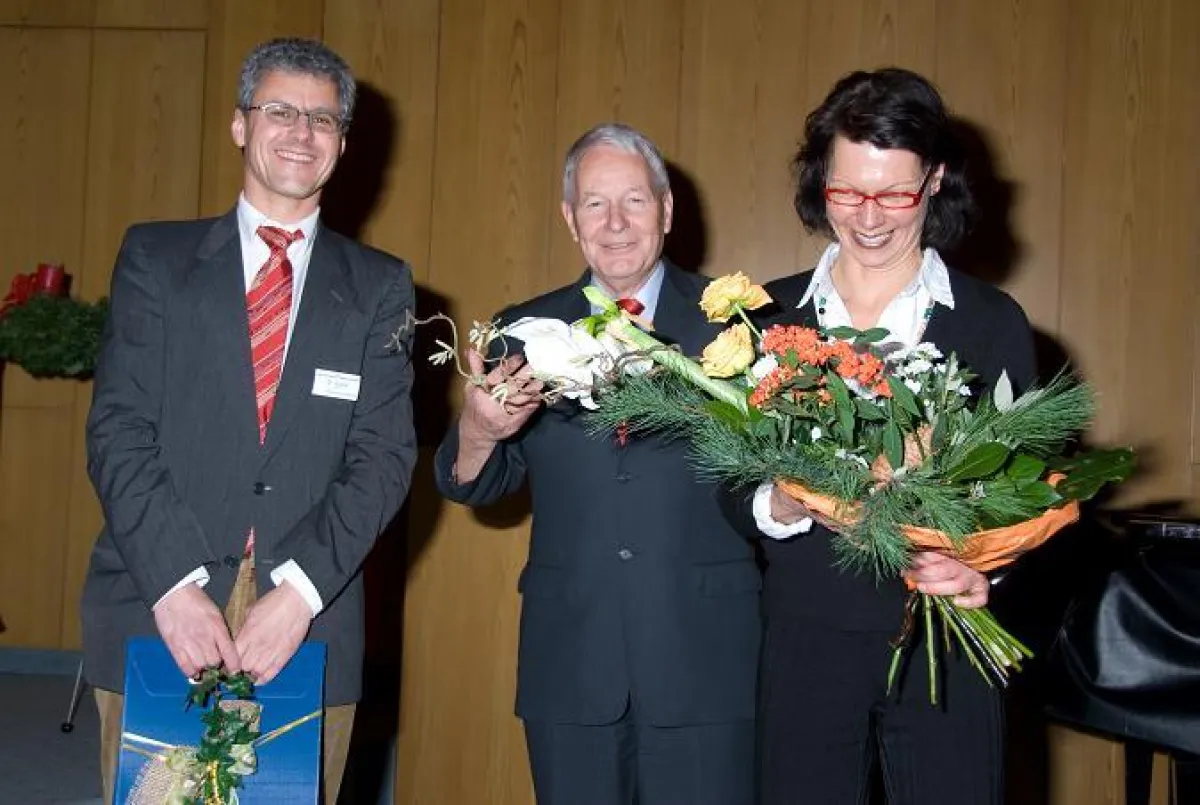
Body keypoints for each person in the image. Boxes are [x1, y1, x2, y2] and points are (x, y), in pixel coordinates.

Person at [81, 37, 417, 805]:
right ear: (240, 125)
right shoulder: (154, 259)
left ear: (342, 142)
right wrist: (172, 586)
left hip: (308, 615)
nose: (301, 131)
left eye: (322, 118)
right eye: (280, 110)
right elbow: (118, 430)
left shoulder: (380, 287)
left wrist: (298, 594)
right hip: (160, 598)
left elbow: (383, 455)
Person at [721, 68, 1037, 804]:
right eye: (846, 191)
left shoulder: (992, 323)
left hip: (947, 638)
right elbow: (727, 485)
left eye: (894, 193)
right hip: (806, 639)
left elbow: (1027, 492)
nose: (868, 217)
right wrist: (784, 501)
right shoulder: (765, 320)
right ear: (819, 179)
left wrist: (987, 573)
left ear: (934, 182)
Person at [434, 123, 759, 805]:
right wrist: (480, 428)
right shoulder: (521, 331)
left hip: (706, 659)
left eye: (634, 202)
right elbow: (474, 481)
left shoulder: (736, 330)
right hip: (570, 660)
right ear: (570, 219)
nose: (615, 223)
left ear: (667, 211)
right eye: (594, 204)